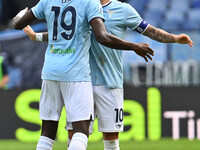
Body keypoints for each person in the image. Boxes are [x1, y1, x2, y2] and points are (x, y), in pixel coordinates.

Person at [23, 0, 193, 150]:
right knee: (75, 135)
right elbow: (61, 35)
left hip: (110, 82)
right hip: (81, 81)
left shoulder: (123, 10)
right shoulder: (79, 4)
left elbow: (151, 31)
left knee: (111, 140)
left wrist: (175, 38)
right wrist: (36, 36)